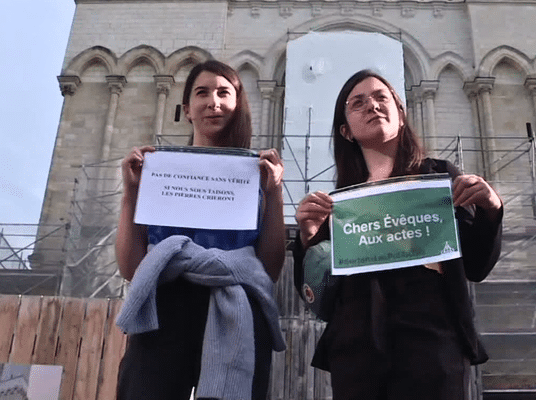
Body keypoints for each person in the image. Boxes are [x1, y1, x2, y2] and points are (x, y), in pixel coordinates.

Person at [294, 70, 503, 400]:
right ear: (346, 130)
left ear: (401, 114)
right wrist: (309, 238)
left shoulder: (438, 178)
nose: (372, 106)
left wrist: (491, 208)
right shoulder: (340, 204)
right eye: (358, 103)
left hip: (432, 342)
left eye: (381, 97)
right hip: (356, 349)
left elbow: (477, 266)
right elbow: (318, 294)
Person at [115, 60, 286, 400]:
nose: (213, 102)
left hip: (238, 311)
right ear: (186, 109)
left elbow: (269, 268)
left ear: (238, 105)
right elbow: (132, 268)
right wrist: (131, 190)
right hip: (165, 310)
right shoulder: (157, 171)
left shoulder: (259, 173)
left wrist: (274, 191)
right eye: (202, 92)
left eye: (224, 92)